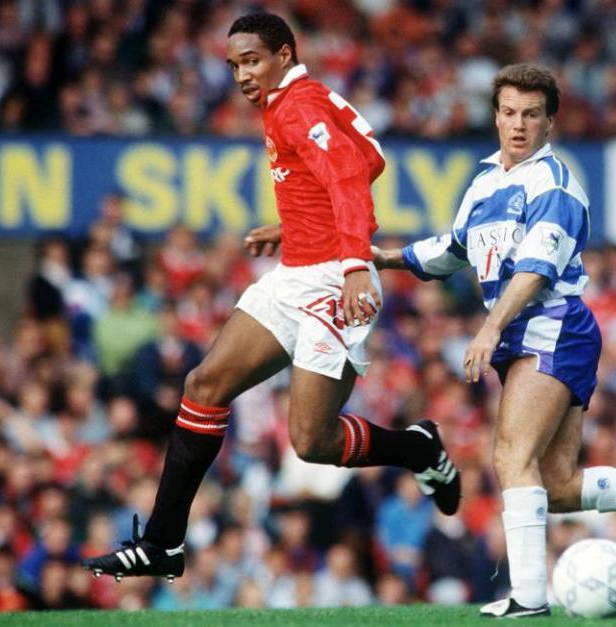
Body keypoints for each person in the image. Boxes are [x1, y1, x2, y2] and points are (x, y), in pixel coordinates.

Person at [83, 12, 459, 582]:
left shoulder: (298, 106)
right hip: (299, 270)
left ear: (285, 53)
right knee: (204, 386)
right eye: (234, 64)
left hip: (335, 280)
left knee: (312, 441)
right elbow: (369, 156)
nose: (241, 75)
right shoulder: (301, 98)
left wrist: (355, 263)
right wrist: (296, 226)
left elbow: (351, 179)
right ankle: (163, 543)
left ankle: (417, 448)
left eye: (252, 60)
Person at [372, 63, 616, 618]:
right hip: (531, 334)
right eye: (509, 112)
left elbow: (536, 269)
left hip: (552, 324)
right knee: (556, 486)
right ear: (495, 116)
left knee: (512, 455)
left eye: (531, 115)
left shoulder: (556, 185)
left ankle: (529, 599)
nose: (518, 125)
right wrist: (385, 257)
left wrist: (489, 328)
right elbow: (453, 248)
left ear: (550, 122)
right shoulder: (486, 181)